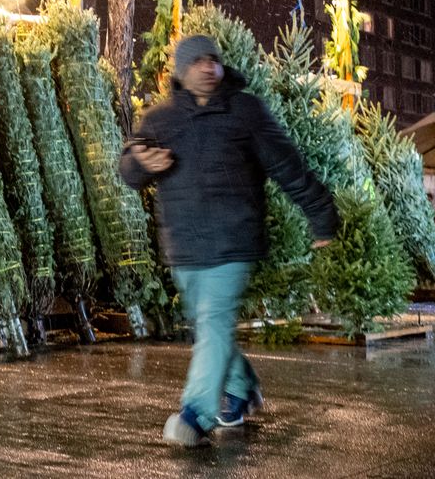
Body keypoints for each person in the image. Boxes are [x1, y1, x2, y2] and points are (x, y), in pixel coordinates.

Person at [119, 35, 338, 448]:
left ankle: (196, 415)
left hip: (233, 239)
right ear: (182, 71)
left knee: (214, 322)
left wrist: (322, 218)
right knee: (209, 326)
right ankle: (241, 389)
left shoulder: (245, 111)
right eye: (198, 61)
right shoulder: (161, 118)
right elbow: (130, 169)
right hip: (184, 245)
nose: (208, 68)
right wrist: (140, 165)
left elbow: (289, 166)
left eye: (213, 60)